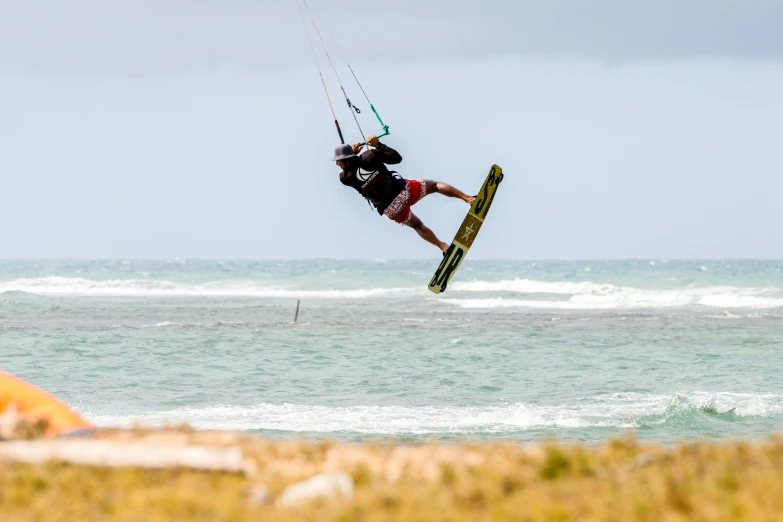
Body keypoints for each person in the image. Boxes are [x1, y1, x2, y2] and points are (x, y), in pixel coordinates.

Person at [334, 135, 475, 254]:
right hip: (404, 192)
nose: (337, 164)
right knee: (434, 186)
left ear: (344, 161)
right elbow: (396, 158)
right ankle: (468, 199)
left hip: (391, 210)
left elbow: (351, 169)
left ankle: (442, 246)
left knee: (417, 225)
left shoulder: (345, 179)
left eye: (338, 161)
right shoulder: (370, 155)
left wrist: (353, 154)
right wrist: (379, 145)